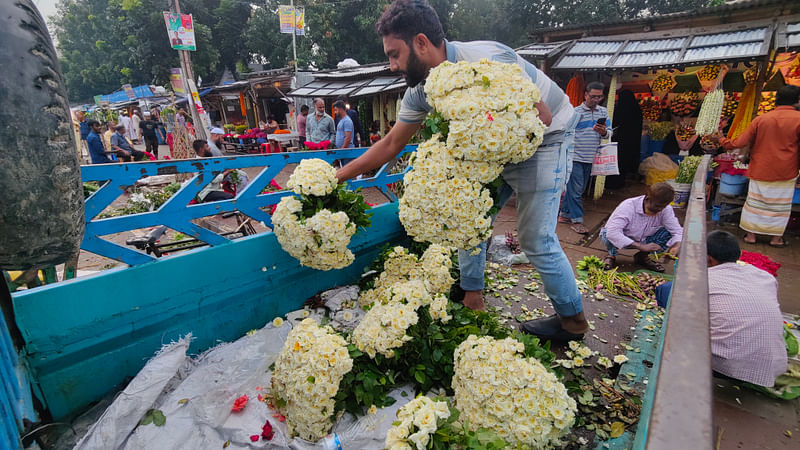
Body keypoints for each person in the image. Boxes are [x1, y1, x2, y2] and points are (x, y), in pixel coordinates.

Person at [335, 0, 585, 340]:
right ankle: (472, 295)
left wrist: (483, 151)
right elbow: (391, 144)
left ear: (421, 42)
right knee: (465, 216)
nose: (392, 65)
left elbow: (541, 118)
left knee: (535, 238)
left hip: (547, 138)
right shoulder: (421, 90)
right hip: (494, 147)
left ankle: (572, 320)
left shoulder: (487, 60)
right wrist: (337, 177)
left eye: (395, 54)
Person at [713, 85, 800, 247]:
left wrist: (722, 140)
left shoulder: (762, 119)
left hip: (760, 168)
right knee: (780, 206)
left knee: (755, 202)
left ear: (776, 99)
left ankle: (751, 236)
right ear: (796, 101)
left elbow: (739, 143)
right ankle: (776, 239)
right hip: (786, 171)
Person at [705, 230, 787, 387]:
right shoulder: (764, 276)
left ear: (709, 259)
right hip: (772, 366)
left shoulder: (705, 279)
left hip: (726, 367)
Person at [559, 82, 610, 234]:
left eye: (599, 97)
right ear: (586, 95)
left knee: (577, 188)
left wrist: (603, 132)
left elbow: (609, 133)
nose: (596, 100)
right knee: (576, 189)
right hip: (575, 156)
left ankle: (564, 214)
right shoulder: (576, 112)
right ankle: (577, 220)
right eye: (593, 96)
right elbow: (566, 132)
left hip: (590, 157)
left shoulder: (603, 112)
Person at [600, 182, 683, 272]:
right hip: (622, 237)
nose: (659, 210)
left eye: (662, 207)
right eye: (656, 207)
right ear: (647, 199)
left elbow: (677, 231)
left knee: (668, 233)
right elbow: (612, 233)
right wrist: (640, 246)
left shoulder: (665, 209)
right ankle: (611, 255)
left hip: (644, 239)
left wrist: (677, 245)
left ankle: (642, 257)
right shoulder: (628, 206)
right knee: (608, 232)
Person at [608, 89, 643, 188]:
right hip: (632, 140)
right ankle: (620, 181)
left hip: (620, 140)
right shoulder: (637, 109)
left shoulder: (621, 108)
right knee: (624, 163)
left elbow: (614, 121)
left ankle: (612, 183)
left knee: (617, 161)